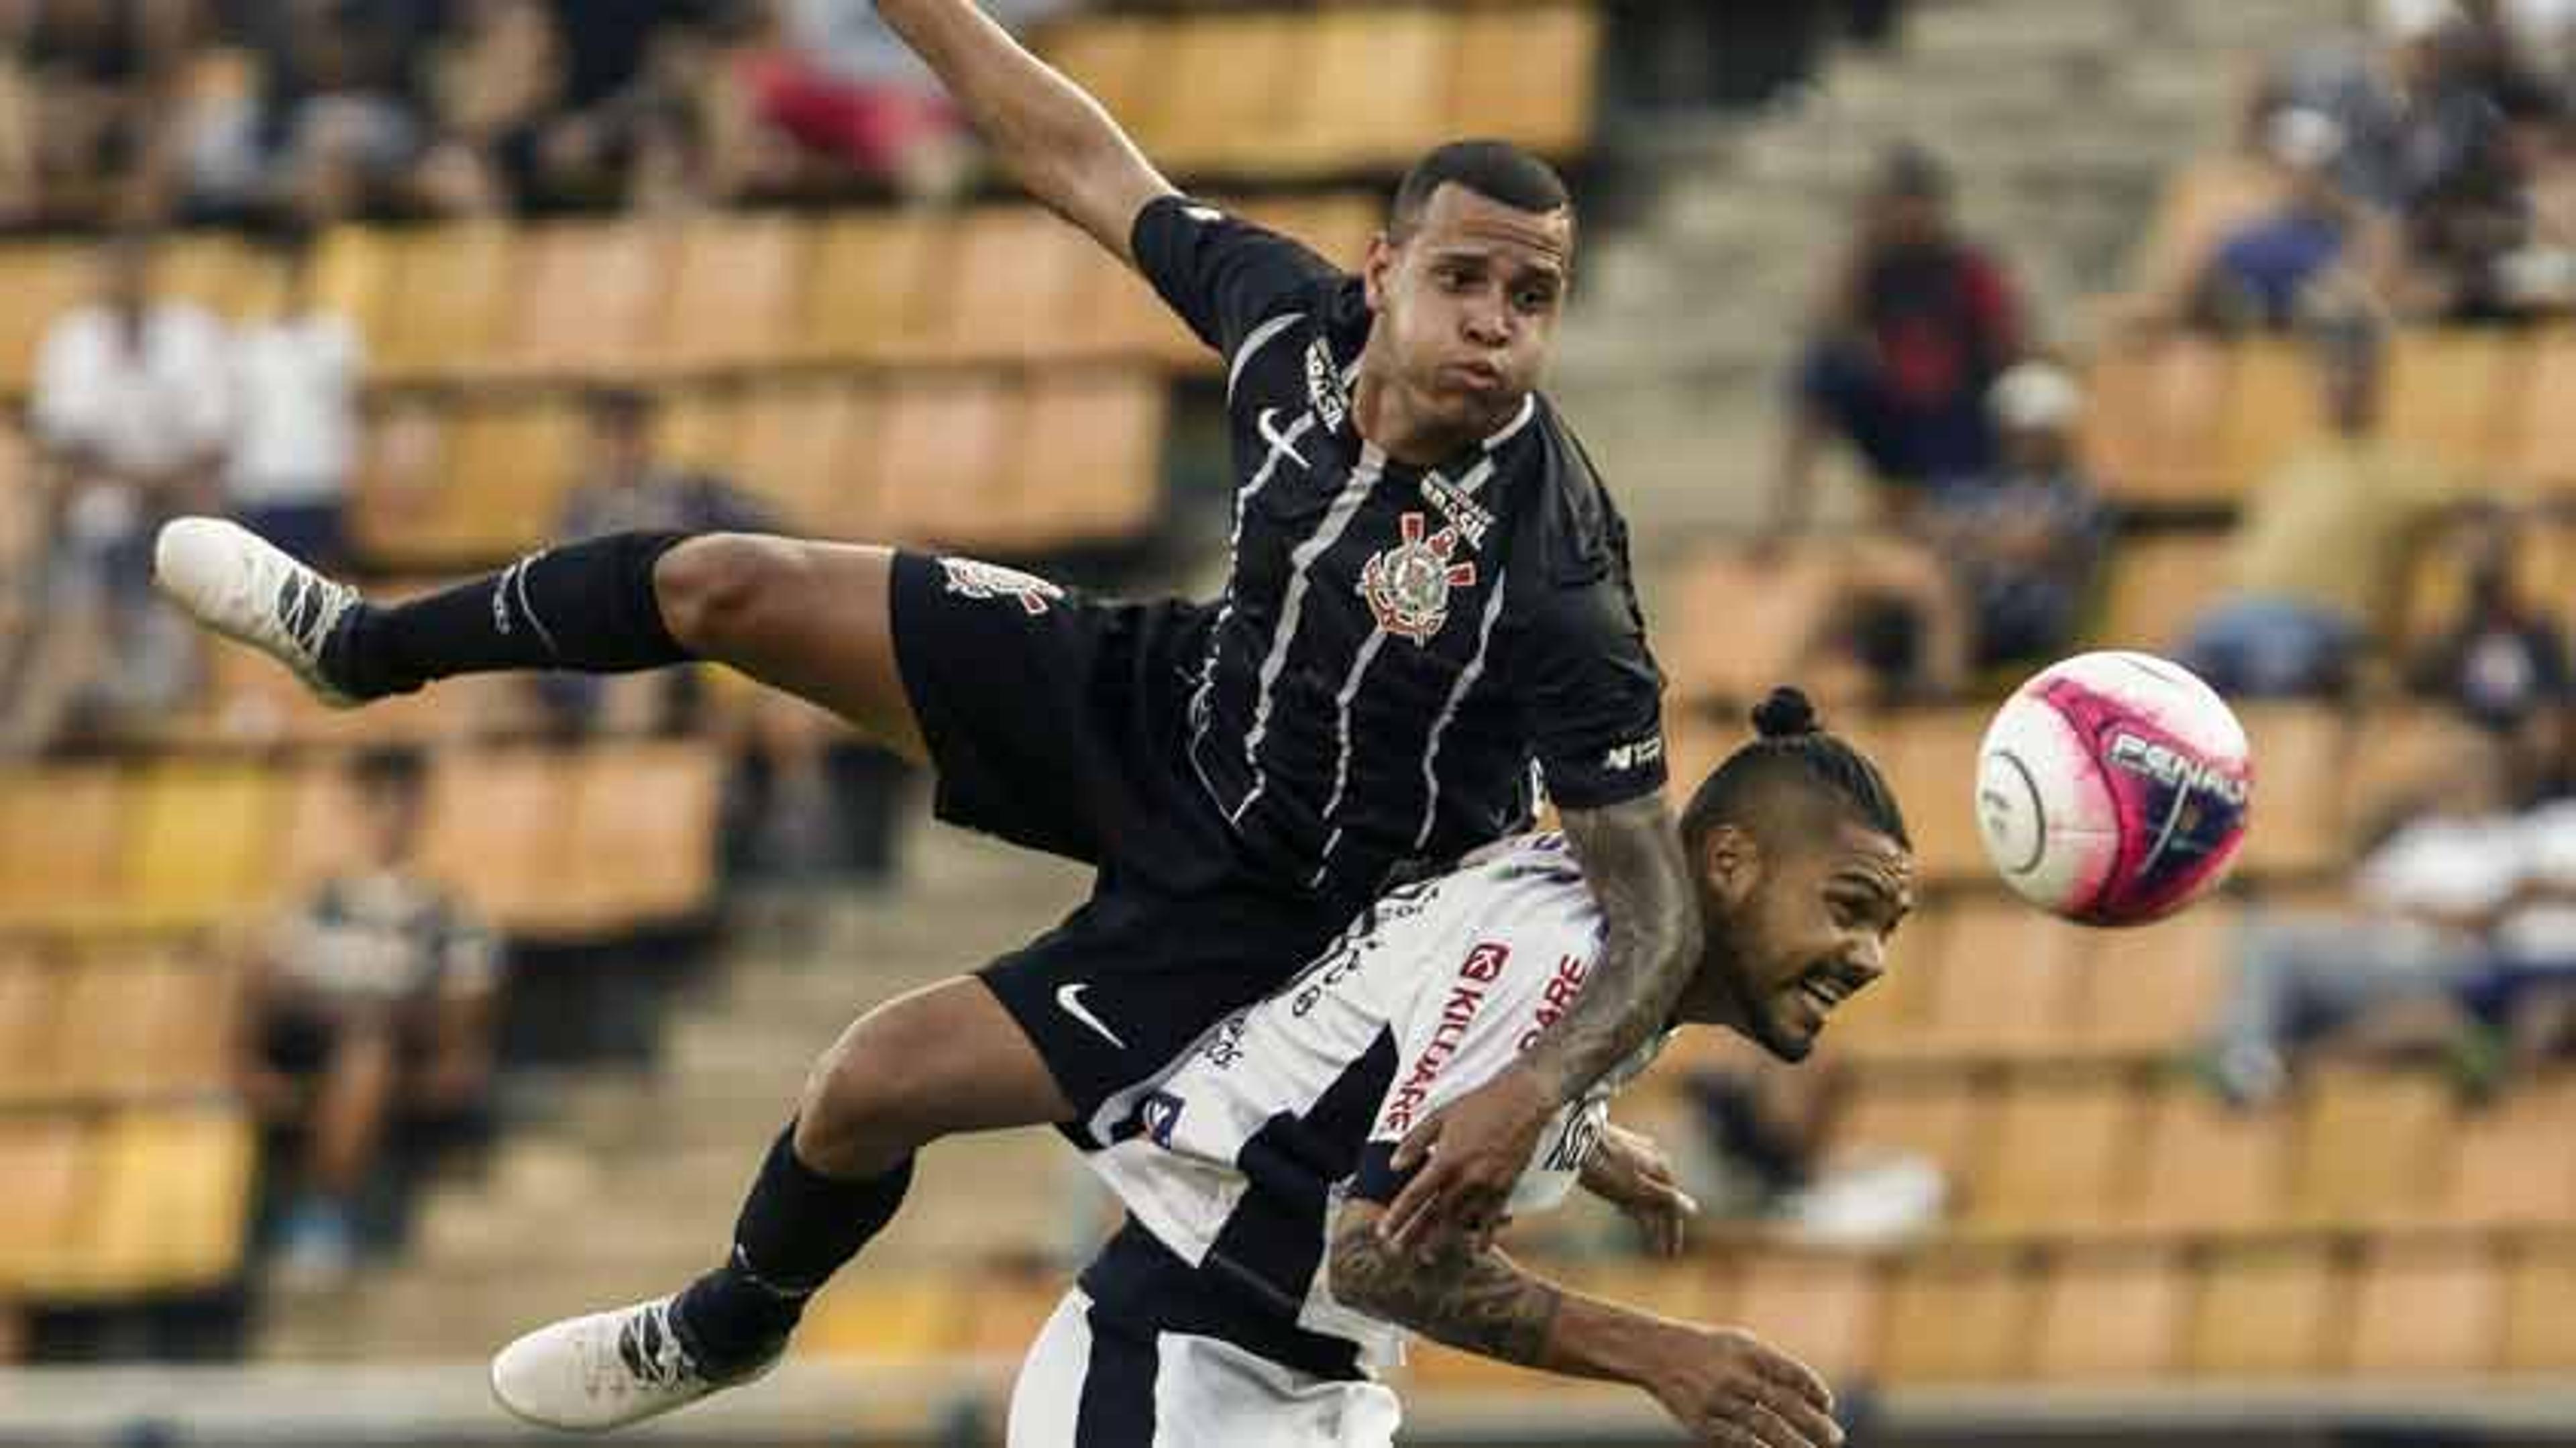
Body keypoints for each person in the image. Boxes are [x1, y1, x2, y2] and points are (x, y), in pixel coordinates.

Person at [152, 0, 1692, 1428]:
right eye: (1465, 278)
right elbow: (1080, 159)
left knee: (866, 1088)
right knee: (728, 583)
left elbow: (1644, 903)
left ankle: (732, 1316)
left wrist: (1535, 1086)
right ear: (1381, 271)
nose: (1495, 323)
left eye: (1532, 297)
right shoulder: (1285, 329)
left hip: (1282, 915)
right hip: (1156, 700)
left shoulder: (1551, 562)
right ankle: (362, 646)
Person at [1002, 690, 1904, 1447]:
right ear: (1731, 861)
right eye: (1850, 906)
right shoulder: (1566, 955)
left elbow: (1405, 1031)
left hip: (1297, 1381)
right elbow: (1375, 1260)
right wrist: (1661, 1354)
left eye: (1885, 929)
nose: (1869, 958)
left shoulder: (1617, 948)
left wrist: (1579, 1138)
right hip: (1174, 1376)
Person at [235, 745, 503, 1285]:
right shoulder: (317, 903)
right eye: (378, 801)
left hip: (394, 1048)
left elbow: (466, 1008)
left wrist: (395, 1017)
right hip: (312, 1040)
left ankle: (323, 1215)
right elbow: (270, 984)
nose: (391, 816)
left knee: (368, 1048)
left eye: (403, 803)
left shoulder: (449, 913)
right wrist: (245, 1054)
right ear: (357, 808)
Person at [2177, 311, 2454, 696]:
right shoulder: (2293, 462)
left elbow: (2475, 508)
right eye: (2331, 373)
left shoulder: (2403, 468)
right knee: (2164, 690)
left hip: (2325, 625)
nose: (2339, 385)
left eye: (2351, 374)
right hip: (2238, 616)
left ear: (2374, 383)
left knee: (2278, 675)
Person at [1766, 144, 2022, 538]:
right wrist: (1862, 248)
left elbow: (2010, 348)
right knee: (1819, 369)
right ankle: (1785, 518)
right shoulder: (1874, 266)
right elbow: (1830, 326)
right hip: (1897, 413)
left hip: (1957, 414)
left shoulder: (1967, 269)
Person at [225, 223, 364, 569]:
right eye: (276, 276)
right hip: (261, 486)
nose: (285, 286)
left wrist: (348, 476)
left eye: (293, 276)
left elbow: (352, 411)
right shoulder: (246, 342)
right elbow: (236, 419)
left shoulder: (335, 337)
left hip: (319, 482)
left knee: (320, 593)